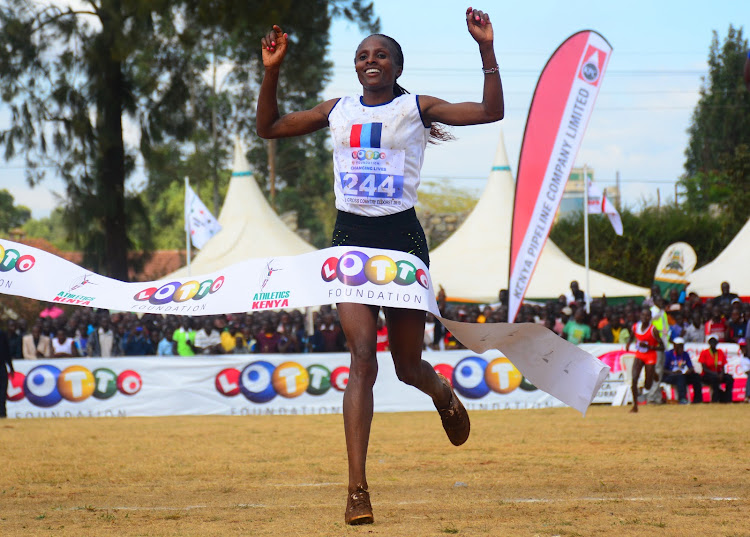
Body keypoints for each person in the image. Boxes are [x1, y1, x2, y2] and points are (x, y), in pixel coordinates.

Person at [257, 7, 503, 525]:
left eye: (380, 55)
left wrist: (485, 49)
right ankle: (356, 490)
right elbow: (270, 128)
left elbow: (489, 112)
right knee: (362, 356)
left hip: (402, 240)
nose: (371, 61)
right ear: (357, 68)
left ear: (396, 66)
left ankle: (442, 394)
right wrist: (272, 70)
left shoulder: (417, 108)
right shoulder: (338, 109)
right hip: (351, 238)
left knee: (407, 366)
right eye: (362, 56)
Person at [626, 307, 664, 413]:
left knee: (648, 385)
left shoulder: (653, 330)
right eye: (643, 315)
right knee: (634, 378)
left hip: (650, 356)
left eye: (647, 315)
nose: (645, 317)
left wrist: (650, 347)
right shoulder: (635, 327)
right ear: (640, 316)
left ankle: (654, 374)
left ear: (650, 317)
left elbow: (662, 347)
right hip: (639, 354)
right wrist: (628, 343)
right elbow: (631, 336)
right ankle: (635, 406)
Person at [662, 337, 703, 404]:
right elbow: (663, 369)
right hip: (670, 376)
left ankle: (698, 399)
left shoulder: (685, 354)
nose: (681, 348)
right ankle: (682, 398)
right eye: (679, 346)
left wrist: (689, 371)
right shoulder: (668, 354)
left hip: (683, 375)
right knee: (680, 377)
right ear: (675, 346)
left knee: (696, 376)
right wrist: (673, 372)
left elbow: (691, 367)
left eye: (682, 346)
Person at [698, 335, 734, 403]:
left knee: (729, 378)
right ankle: (715, 399)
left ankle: (728, 399)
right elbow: (704, 368)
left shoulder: (720, 352)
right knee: (714, 379)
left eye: (714, 342)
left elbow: (723, 366)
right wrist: (715, 374)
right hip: (707, 374)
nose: (713, 343)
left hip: (718, 373)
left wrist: (721, 374)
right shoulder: (704, 353)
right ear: (709, 343)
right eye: (711, 342)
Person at [0, 323, 14, 418]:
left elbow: (6, 351)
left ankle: (2, 412)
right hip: (1, 365)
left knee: (2, 390)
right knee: (2, 390)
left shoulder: (2, 333)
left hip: (1, 365)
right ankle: (2, 413)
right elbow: (7, 351)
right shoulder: (2, 333)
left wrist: (10, 366)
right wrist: (10, 366)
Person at [738, 338, 750, 403]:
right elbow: (747, 371)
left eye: (744, 346)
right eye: (741, 347)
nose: (743, 349)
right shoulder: (742, 359)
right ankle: (748, 396)